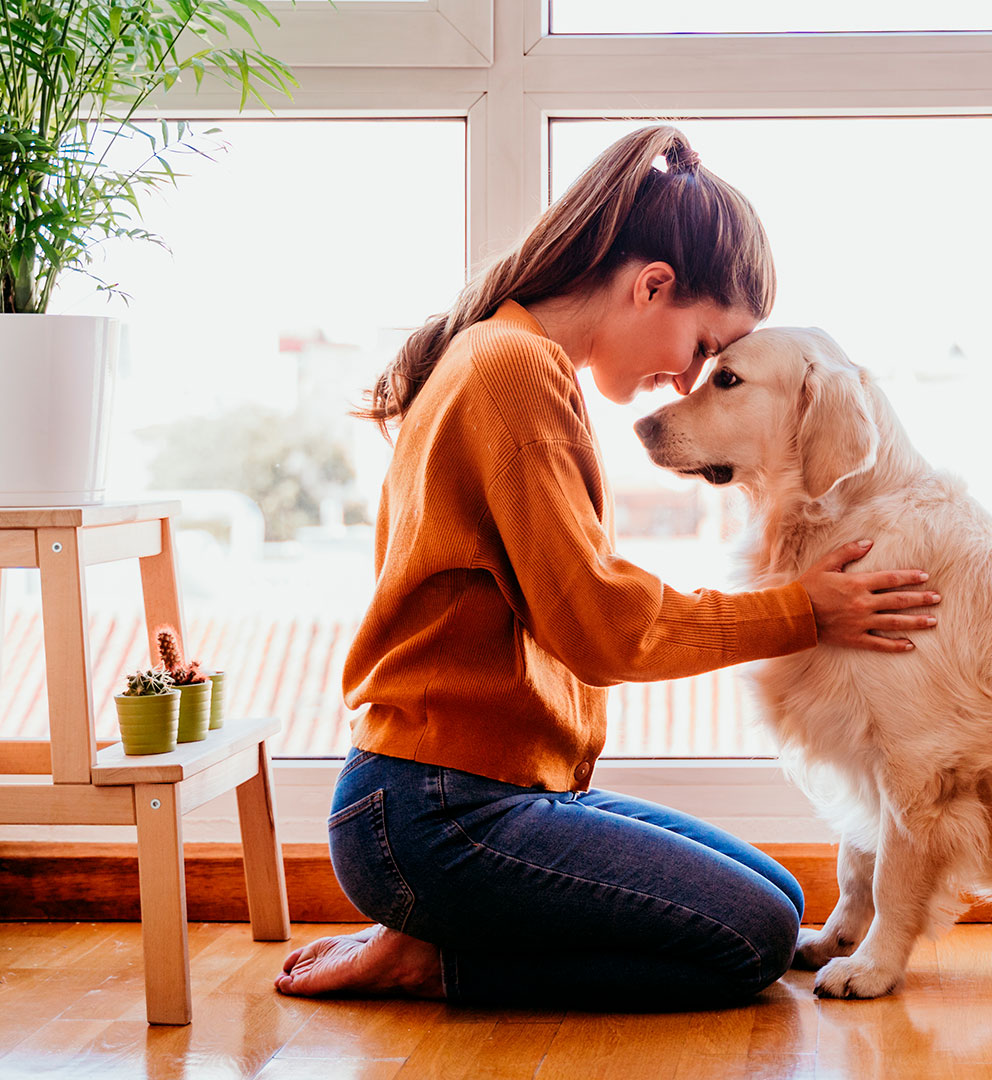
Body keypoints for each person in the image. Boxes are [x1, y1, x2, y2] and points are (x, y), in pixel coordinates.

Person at [274, 125, 940, 1010]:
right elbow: (601, 627)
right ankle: (435, 958)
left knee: (780, 900)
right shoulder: (512, 372)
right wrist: (802, 610)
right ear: (651, 285)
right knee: (752, 939)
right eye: (704, 348)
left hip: (483, 796)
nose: (687, 380)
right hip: (433, 813)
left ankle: (440, 928)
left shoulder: (510, 355)